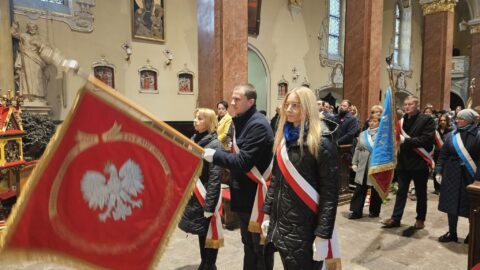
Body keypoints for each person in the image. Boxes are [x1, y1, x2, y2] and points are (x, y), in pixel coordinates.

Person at [262, 87, 339, 270]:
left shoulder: (322, 142)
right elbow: (275, 181)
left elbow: (330, 195)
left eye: (295, 105)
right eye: (287, 105)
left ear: (307, 107)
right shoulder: (283, 138)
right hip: (281, 224)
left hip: (306, 228)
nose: (288, 109)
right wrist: (267, 214)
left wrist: (322, 235)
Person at [203, 83, 274, 270]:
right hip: (243, 194)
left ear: (251, 101)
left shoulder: (258, 125)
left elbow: (243, 162)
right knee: (248, 245)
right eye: (232, 98)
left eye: (237, 99)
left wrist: (216, 156)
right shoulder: (240, 121)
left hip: (255, 196)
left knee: (260, 248)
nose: (232, 103)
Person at [382, 96, 435, 235]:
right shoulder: (401, 121)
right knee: (401, 192)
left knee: (420, 193)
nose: (407, 106)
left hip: (419, 162)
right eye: (405, 104)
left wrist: (406, 140)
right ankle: (395, 218)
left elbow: (426, 139)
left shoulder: (427, 120)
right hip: (403, 162)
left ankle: (420, 219)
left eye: (410, 104)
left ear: (417, 105)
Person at [179, 108, 223, 270]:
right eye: (195, 117)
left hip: (207, 196)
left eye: (200, 118)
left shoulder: (215, 144)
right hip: (196, 196)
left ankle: (210, 265)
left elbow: (215, 177)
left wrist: (209, 205)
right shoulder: (194, 139)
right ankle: (205, 263)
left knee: (210, 233)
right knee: (201, 232)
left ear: (210, 122)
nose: (195, 121)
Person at [436, 109, 480, 243]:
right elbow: (443, 155)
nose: (457, 120)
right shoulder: (451, 135)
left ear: (469, 120)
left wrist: (478, 178)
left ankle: (472, 234)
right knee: (451, 204)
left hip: (470, 174)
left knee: (471, 205)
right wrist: (439, 171)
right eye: (458, 118)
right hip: (451, 174)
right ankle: (452, 232)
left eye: (461, 118)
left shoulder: (478, 135)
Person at [349, 116, 382, 219]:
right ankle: (356, 211)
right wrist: (354, 163)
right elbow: (358, 149)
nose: (371, 123)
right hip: (363, 165)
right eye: (370, 121)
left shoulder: (382, 135)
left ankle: (374, 211)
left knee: (376, 189)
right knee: (359, 188)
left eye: (374, 121)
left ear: (379, 123)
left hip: (376, 164)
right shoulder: (363, 134)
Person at [11, 22, 49, 99]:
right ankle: (28, 94)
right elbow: (14, 34)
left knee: (38, 76)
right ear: (27, 28)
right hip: (26, 57)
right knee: (27, 75)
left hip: (37, 59)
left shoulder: (40, 38)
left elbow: (46, 49)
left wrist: (39, 44)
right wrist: (15, 27)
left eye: (34, 27)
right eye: (30, 27)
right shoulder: (24, 35)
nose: (32, 29)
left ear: (36, 28)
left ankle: (38, 94)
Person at [432, 114, 452, 194]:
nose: (442, 122)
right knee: (436, 171)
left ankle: (445, 188)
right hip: (437, 154)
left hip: (448, 154)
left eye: (444, 120)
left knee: (446, 171)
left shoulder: (451, 131)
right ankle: (437, 188)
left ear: (447, 121)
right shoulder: (435, 131)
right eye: (441, 120)